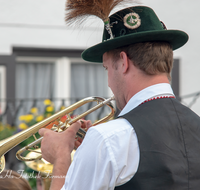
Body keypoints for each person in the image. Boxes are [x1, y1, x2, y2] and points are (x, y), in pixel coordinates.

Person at [39, 5, 200, 190]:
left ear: (123, 62)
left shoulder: (107, 138)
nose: (108, 83)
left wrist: (61, 157)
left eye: (106, 69)